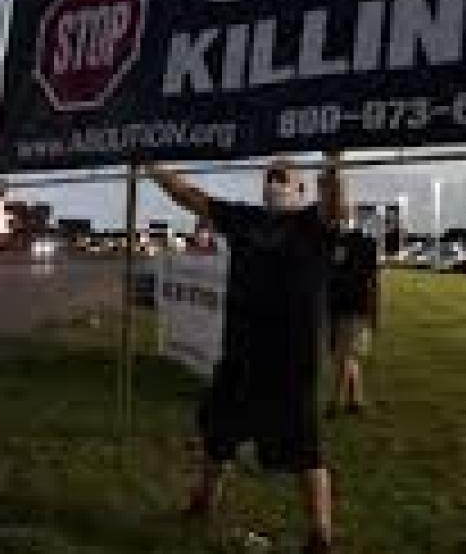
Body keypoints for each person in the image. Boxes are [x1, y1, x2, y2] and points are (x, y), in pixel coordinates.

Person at [146, 151, 346, 554]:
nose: (274, 181)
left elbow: (336, 203)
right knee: (219, 434)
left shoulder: (314, 223)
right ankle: (203, 502)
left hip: (291, 360)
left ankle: (320, 534)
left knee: (304, 449)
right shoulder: (244, 218)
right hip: (240, 352)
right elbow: (189, 196)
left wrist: (333, 160)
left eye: (282, 175)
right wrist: (153, 166)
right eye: (269, 175)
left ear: (301, 186)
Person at [326, 221, 379, 417]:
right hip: (345, 306)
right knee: (348, 354)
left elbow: (372, 282)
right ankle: (355, 399)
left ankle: (335, 401)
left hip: (349, 307)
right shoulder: (358, 244)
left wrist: (373, 312)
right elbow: (373, 283)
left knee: (343, 354)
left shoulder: (345, 244)